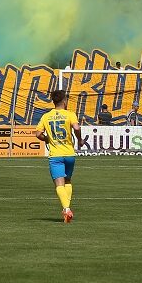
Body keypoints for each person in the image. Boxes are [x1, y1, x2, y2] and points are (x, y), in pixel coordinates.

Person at [35, 89, 82, 223]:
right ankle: (67, 209)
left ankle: (66, 209)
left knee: (59, 184)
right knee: (68, 181)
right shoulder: (70, 114)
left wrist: (47, 139)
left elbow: (38, 134)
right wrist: (79, 140)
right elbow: (77, 128)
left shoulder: (46, 116)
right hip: (69, 154)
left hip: (55, 155)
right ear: (64, 101)